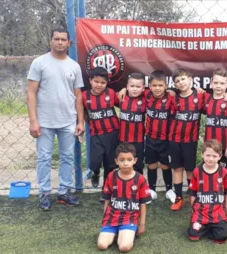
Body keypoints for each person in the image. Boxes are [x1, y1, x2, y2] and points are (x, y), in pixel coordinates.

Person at [27, 27, 84, 211]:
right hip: (44, 122)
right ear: (51, 41)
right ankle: (44, 193)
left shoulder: (74, 66)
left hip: (68, 120)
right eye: (56, 39)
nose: (59, 42)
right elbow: (31, 92)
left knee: (67, 157)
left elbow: (78, 95)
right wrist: (33, 121)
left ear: (69, 43)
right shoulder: (39, 63)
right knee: (44, 158)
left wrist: (80, 121)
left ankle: (64, 192)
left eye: (63, 39)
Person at [97, 143, 152, 252]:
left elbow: (143, 203)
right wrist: (104, 218)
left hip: (129, 217)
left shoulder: (140, 179)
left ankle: (127, 233)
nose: (125, 163)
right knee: (102, 245)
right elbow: (107, 199)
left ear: (135, 160)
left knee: (124, 247)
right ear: (116, 161)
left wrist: (142, 224)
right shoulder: (111, 176)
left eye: (129, 159)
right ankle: (116, 232)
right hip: (112, 216)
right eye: (122, 160)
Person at [168, 69, 206, 211]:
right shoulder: (173, 98)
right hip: (174, 139)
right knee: (177, 168)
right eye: (177, 81)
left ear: (190, 79)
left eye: (183, 79)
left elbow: (216, 98)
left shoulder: (201, 95)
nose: (181, 82)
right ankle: (178, 198)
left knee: (190, 169)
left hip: (190, 140)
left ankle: (192, 196)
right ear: (175, 85)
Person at [81, 67, 120, 193]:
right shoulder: (84, 96)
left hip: (113, 133)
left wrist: (124, 90)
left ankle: (106, 188)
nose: (99, 85)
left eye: (103, 83)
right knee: (95, 161)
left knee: (110, 163)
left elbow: (124, 104)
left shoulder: (111, 93)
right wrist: (90, 123)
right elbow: (84, 113)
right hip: (96, 134)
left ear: (107, 83)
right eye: (96, 82)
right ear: (90, 80)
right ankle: (95, 173)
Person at [187, 139, 227, 244]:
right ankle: (205, 227)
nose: (211, 159)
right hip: (201, 213)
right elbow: (193, 193)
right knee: (192, 235)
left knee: (222, 236)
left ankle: (211, 228)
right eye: (208, 155)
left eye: (214, 156)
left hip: (218, 213)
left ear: (220, 157)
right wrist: (193, 211)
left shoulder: (224, 172)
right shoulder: (197, 171)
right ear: (202, 155)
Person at [144, 71, 176, 203]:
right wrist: (123, 88)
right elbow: (131, 90)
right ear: (149, 86)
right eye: (154, 85)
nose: (157, 88)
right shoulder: (146, 95)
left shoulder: (171, 98)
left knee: (165, 165)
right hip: (150, 137)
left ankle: (169, 190)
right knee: (151, 164)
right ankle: (152, 190)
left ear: (166, 86)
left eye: (160, 85)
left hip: (166, 139)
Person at [203, 69, 227, 176]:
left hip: (225, 146)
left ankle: (225, 192)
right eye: (216, 83)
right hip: (209, 145)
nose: (218, 86)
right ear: (211, 83)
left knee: (225, 173)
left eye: (222, 83)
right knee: (210, 170)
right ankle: (210, 191)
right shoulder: (206, 98)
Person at [118, 73, 146, 175]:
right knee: (124, 165)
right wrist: (123, 90)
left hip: (138, 140)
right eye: (132, 86)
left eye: (138, 87)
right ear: (127, 86)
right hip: (123, 139)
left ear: (143, 88)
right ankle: (124, 187)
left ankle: (139, 187)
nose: (135, 89)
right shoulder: (121, 97)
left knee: (138, 166)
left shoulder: (145, 99)